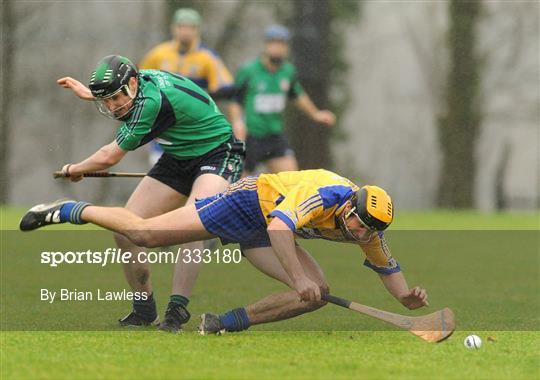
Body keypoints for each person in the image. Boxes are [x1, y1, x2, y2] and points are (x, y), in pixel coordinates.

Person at [20, 169, 428, 334]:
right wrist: (298, 277)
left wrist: (405, 295)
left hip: (268, 229)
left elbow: (386, 267)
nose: (361, 233)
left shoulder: (367, 229)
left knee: (317, 294)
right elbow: (279, 227)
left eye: (369, 230)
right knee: (144, 235)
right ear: (348, 206)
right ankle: (68, 209)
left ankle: (221, 324)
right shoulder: (326, 195)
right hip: (246, 203)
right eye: (359, 223)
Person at [55, 55, 245, 331]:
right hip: (178, 156)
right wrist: (92, 95)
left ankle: (176, 310)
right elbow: (120, 98)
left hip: (218, 152)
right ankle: (144, 309)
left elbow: (109, 157)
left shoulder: (152, 103)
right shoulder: (139, 81)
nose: (112, 107)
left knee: (191, 224)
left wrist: (76, 168)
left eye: (115, 98)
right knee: (124, 230)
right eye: (106, 100)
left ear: (133, 83)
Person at [229, 25, 336, 175]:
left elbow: (297, 95)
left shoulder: (288, 71)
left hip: (275, 135)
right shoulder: (249, 71)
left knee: (291, 180)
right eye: (273, 43)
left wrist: (316, 114)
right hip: (252, 135)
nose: (277, 48)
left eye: (281, 43)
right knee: (239, 183)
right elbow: (235, 101)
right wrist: (237, 122)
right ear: (266, 45)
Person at [139, 8, 239, 164]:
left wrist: (237, 123)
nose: (185, 32)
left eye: (190, 28)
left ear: (197, 30)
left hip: (195, 128)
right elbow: (139, 84)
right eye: (181, 27)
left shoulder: (208, 58)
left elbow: (226, 90)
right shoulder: (158, 55)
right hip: (164, 128)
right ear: (173, 28)